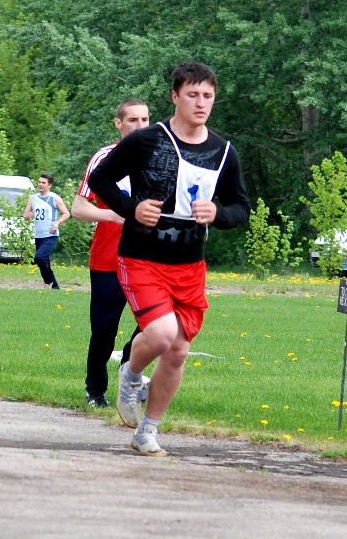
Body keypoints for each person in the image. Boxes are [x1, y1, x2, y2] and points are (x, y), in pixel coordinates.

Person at [88, 62, 249, 457]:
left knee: (177, 351)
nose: (201, 102)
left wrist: (218, 213)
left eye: (207, 95)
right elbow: (99, 179)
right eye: (192, 94)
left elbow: (241, 208)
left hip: (189, 264)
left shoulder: (224, 151)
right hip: (142, 256)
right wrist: (132, 208)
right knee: (160, 335)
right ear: (175, 96)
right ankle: (131, 373)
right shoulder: (146, 141)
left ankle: (147, 431)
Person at [73, 99, 150, 408]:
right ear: (118, 124)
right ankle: (95, 391)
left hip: (148, 259)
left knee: (155, 324)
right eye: (133, 120)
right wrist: (113, 215)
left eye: (145, 120)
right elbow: (78, 208)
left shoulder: (160, 158)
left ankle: (128, 367)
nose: (140, 126)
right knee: (104, 330)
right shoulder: (105, 158)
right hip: (109, 258)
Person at [23, 173, 70, 289]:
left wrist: (56, 224)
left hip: (50, 234)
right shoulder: (33, 198)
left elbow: (66, 213)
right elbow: (25, 216)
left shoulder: (54, 198)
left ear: (50, 185)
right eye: (39, 182)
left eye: (43, 183)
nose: (40, 184)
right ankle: (55, 286)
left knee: (39, 257)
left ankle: (48, 281)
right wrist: (27, 216)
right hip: (38, 235)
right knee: (44, 260)